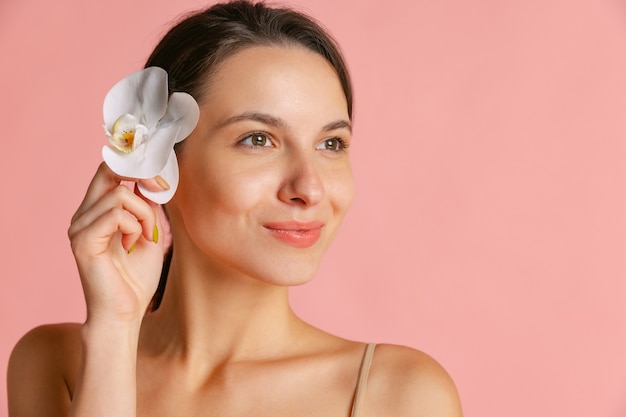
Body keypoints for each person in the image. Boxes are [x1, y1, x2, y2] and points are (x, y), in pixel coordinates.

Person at [7, 1, 463, 416]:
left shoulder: (402, 396)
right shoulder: (55, 363)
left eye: (331, 143)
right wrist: (113, 330)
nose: (310, 188)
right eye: (258, 139)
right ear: (163, 164)